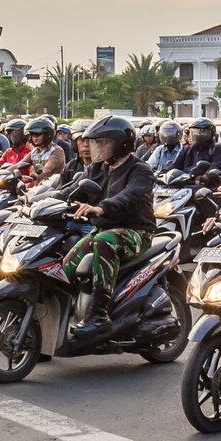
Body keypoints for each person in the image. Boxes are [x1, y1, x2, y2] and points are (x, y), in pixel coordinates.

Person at [63, 116, 157, 344]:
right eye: (97, 143)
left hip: (136, 232)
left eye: (103, 142)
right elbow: (71, 190)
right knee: (66, 265)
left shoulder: (139, 170)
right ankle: (61, 316)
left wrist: (101, 208)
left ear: (121, 144)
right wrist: (39, 200)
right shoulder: (97, 168)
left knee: (103, 241)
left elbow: (130, 195)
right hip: (103, 232)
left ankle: (99, 315)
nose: (97, 148)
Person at [175, 117, 221, 183]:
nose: (198, 134)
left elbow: (217, 167)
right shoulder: (187, 149)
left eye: (203, 132)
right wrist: (164, 174)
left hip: (208, 185)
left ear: (211, 133)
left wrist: (205, 177)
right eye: (194, 132)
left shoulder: (217, 149)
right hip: (185, 182)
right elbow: (175, 165)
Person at [19, 115, 67, 182]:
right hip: (37, 188)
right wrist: (3, 172)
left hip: (54, 188)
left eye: (37, 134)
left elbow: (47, 169)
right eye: (32, 135)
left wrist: (33, 177)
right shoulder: (35, 151)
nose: (34, 138)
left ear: (48, 135)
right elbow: (19, 164)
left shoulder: (57, 151)